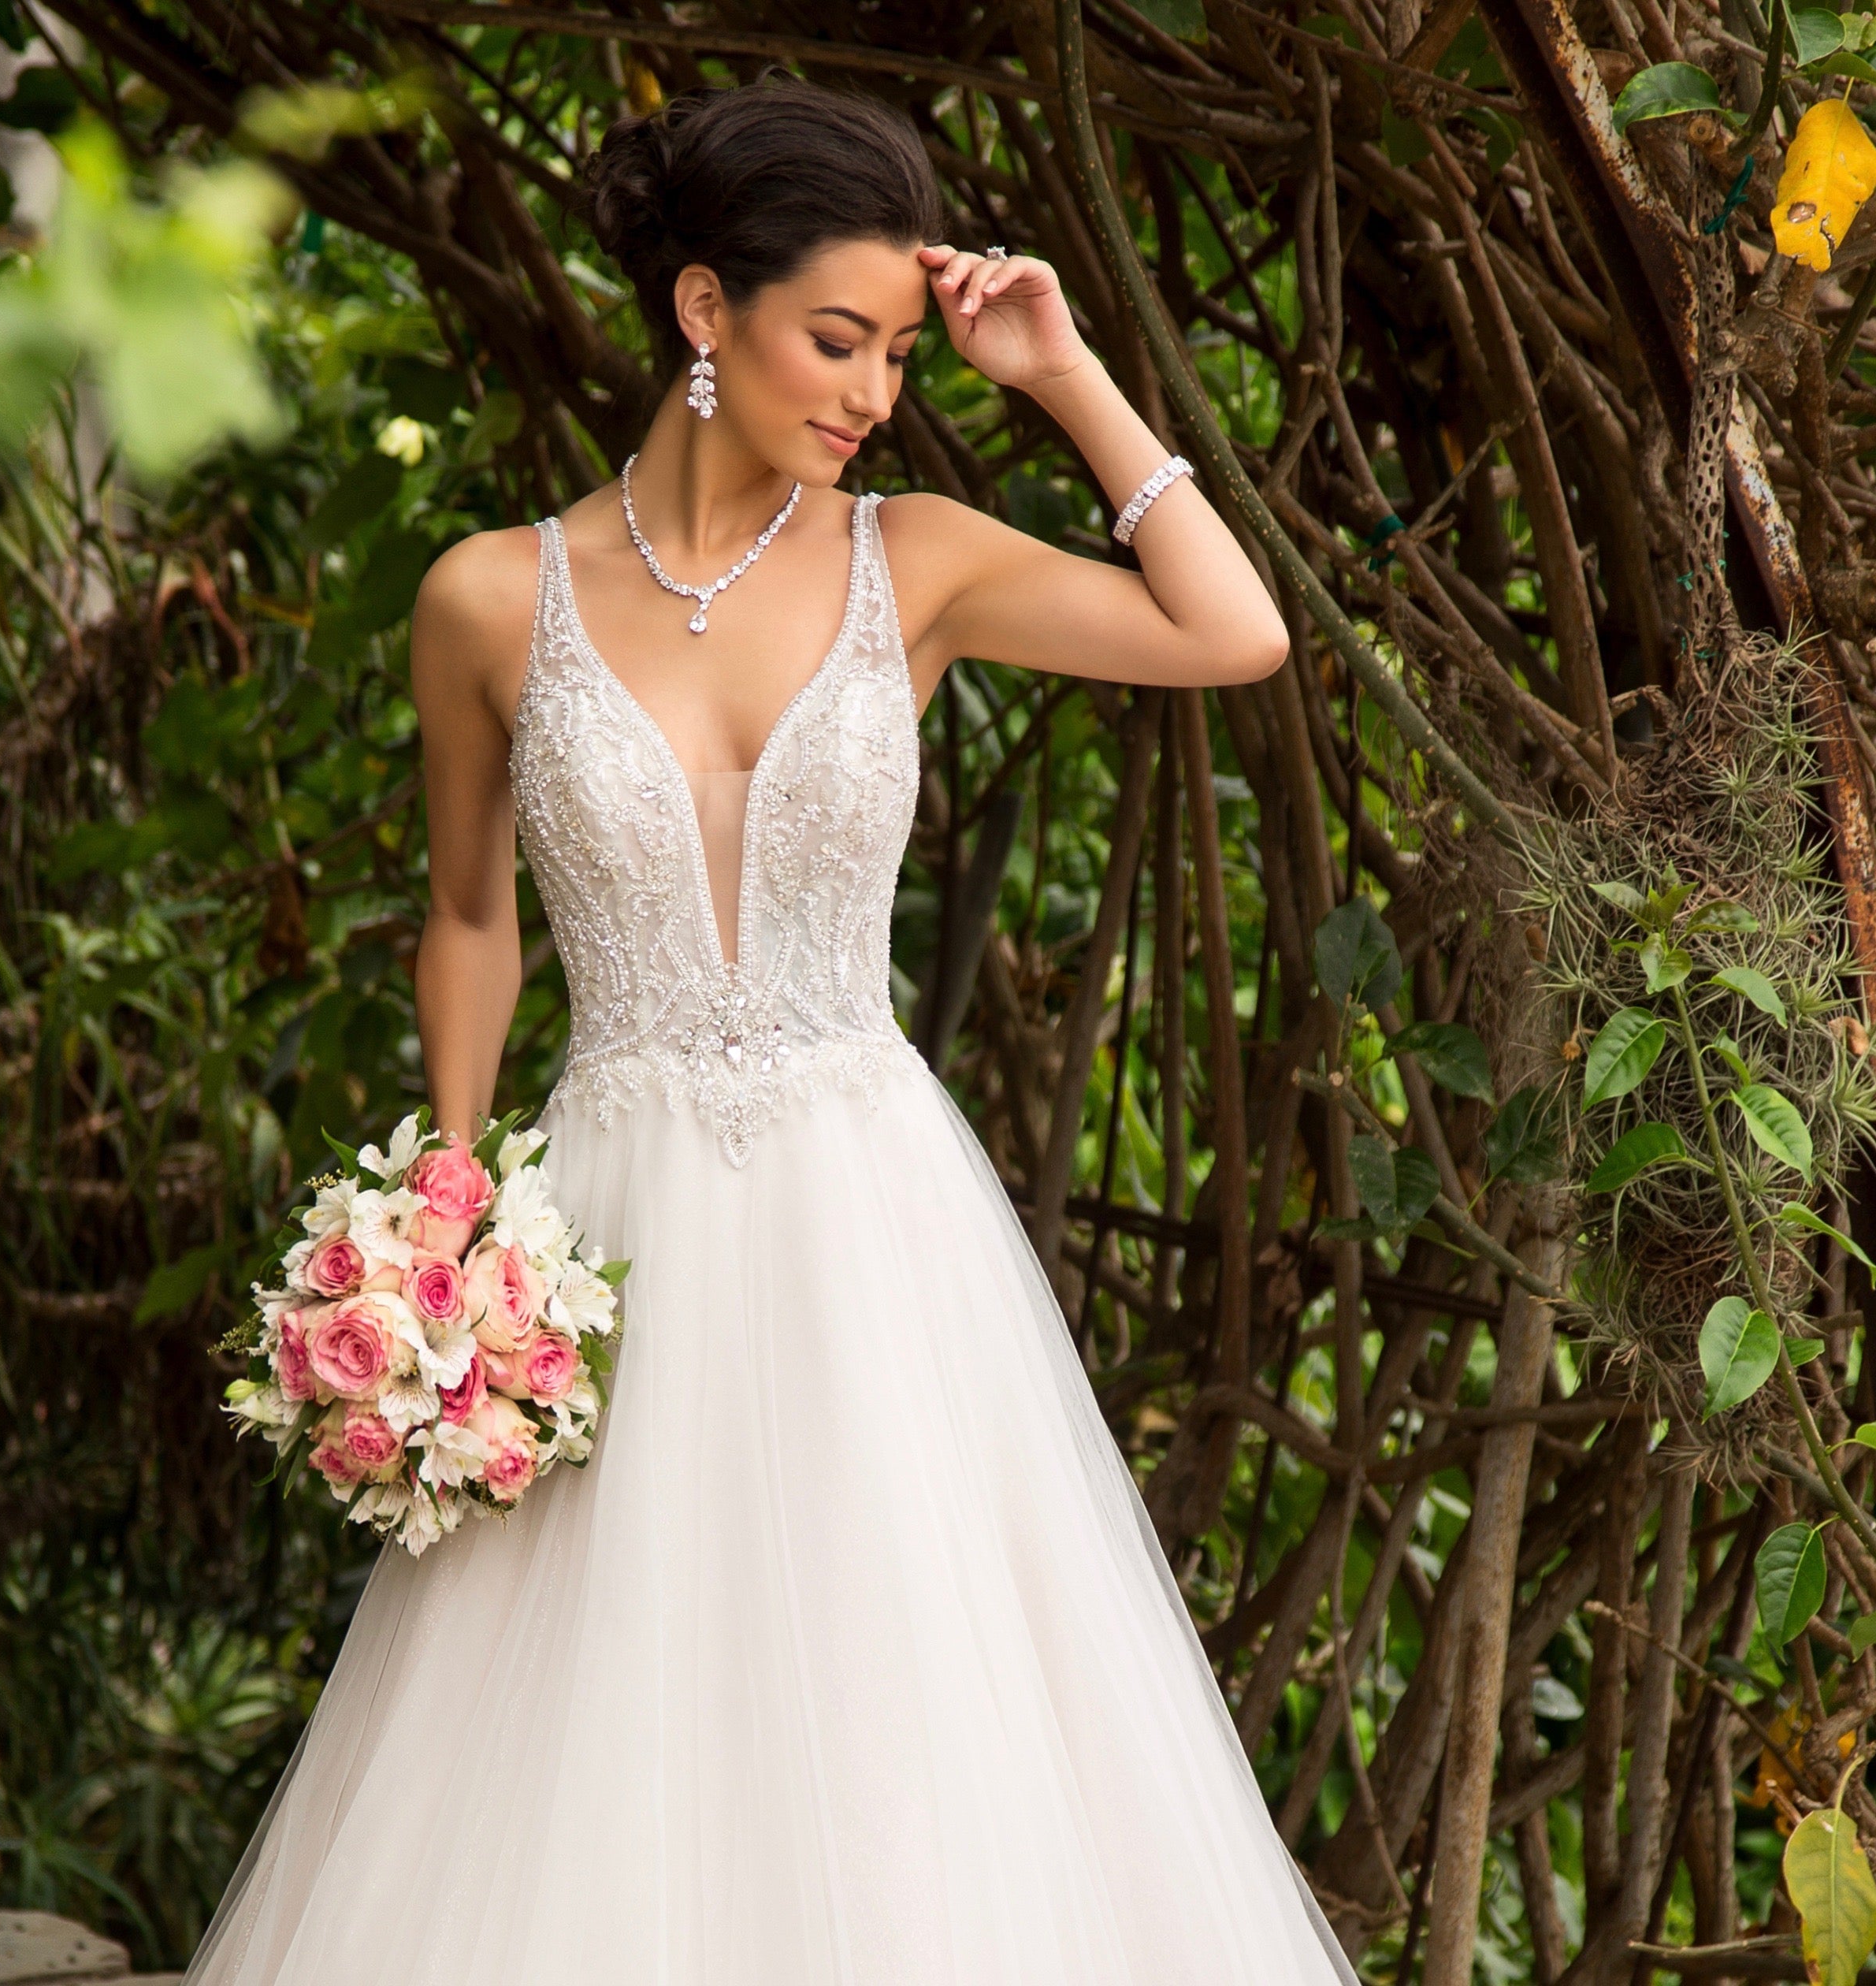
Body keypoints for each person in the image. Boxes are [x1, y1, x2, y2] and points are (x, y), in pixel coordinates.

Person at [181, 72, 1359, 1986]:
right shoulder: (489, 598)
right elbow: (472, 919)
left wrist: (1064, 374)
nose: (875, 390)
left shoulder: (920, 559)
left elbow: (1234, 635)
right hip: (608, 1230)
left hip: (871, 1221)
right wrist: (447, 1206)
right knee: (599, 1723)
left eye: (898, 353)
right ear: (703, 308)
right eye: (839, 338)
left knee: (903, 1705)